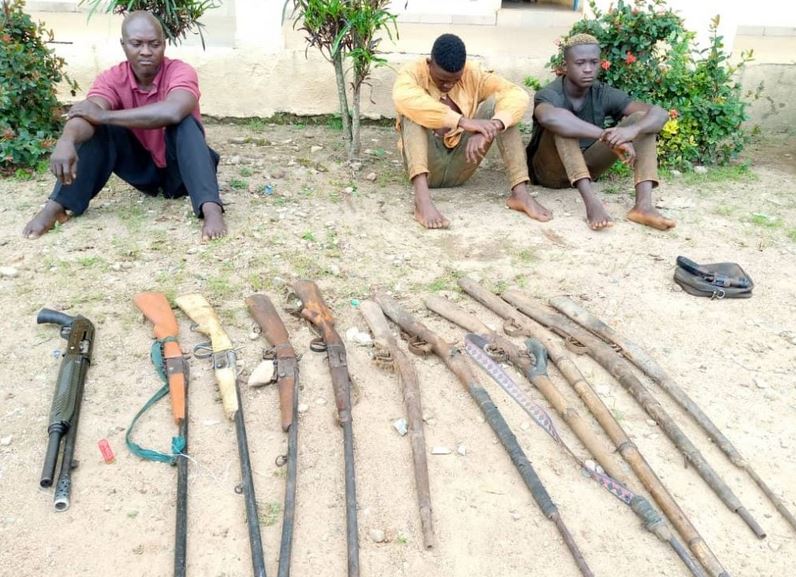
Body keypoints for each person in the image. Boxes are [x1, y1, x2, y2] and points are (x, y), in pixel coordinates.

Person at [22, 11, 226, 241]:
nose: (146, 51)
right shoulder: (112, 78)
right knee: (100, 127)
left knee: (184, 122)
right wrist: (67, 139)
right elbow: (87, 113)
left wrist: (104, 115)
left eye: (154, 44)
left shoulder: (180, 71)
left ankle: (211, 208)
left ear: (164, 44)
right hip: (143, 172)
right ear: (123, 45)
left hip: (182, 171)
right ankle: (57, 206)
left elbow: (173, 111)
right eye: (137, 44)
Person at [392, 33, 552, 229]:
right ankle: (422, 202)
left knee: (504, 109)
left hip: (461, 165)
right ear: (429, 63)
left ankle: (520, 193)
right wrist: (464, 122)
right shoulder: (412, 73)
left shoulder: (473, 73)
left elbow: (516, 94)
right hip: (426, 168)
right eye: (442, 80)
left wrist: (493, 126)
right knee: (411, 112)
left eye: (454, 80)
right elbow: (402, 96)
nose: (448, 85)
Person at [527, 33, 675, 231]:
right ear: (565, 66)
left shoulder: (602, 92)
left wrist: (631, 131)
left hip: (589, 167)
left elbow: (659, 113)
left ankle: (643, 206)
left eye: (594, 62)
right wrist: (604, 135)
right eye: (580, 63)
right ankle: (592, 204)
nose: (588, 69)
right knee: (563, 125)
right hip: (549, 172)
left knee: (642, 120)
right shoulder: (550, 93)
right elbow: (549, 117)